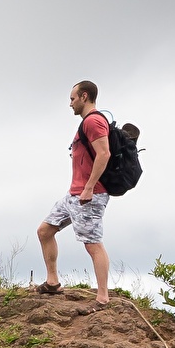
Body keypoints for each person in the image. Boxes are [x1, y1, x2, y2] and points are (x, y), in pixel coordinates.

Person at [37, 81, 113, 304]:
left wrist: (89, 187)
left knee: (93, 244)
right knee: (44, 231)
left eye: (72, 99)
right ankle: (52, 282)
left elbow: (104, 154)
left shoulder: (94, 121)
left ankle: (102, 297)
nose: (70, 103)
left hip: (91, 195)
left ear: (84, 96)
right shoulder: (87, 123)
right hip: (74, 194)